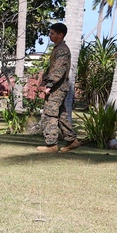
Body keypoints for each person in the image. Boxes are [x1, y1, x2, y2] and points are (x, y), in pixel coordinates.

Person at [36, 23, 81, 153]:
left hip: (57, 88)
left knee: (49, 115)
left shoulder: (62, 50)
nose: (50, 35)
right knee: (61, 115)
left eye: (52, 33)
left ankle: (51, 145)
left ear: (60, 35)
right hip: (58, 87)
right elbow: (52, 69)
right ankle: (72, 141)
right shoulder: (58, 48)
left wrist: (49, 85)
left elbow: (59, 70)